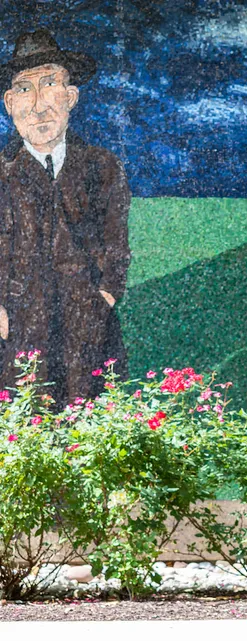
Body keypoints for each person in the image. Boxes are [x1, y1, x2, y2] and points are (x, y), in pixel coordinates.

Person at [0, 29, 131, 406]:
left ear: (70, 97)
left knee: (90, 421)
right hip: (17, 332)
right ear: (9, 103)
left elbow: (116, 246)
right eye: (24, 89)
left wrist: (103, 297)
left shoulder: (101, 167)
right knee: (23, 424)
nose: (38, 105)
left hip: (89, 327)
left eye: (49, 85)